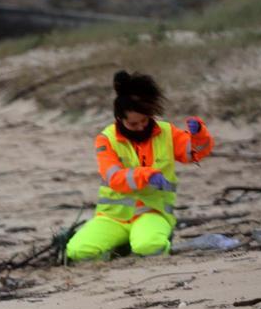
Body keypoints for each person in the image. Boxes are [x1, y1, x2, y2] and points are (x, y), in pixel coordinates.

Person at [65, 71, 215, 262]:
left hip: (152, 212)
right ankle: (119, 246)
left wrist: (199, 135)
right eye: (133, 124)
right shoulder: (106, 139)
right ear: (120, 118)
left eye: (145, 120)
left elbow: (194, 153)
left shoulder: (167, 132)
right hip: (112, 217)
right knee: (78, 251)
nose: (141, 127)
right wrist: (147, 175)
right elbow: (114, 178)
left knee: (149, 247)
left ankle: (155, 237)